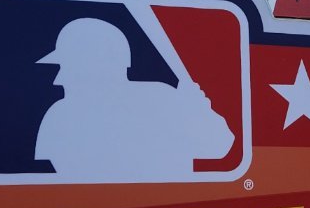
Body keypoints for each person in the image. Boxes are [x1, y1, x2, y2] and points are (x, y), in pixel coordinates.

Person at [34, 17, 234, 182]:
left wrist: (199, 112)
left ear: (96, 66)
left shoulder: (163, 98)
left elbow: (220, 146)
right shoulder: (61, 117)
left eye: (67, 67)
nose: (57, 79)